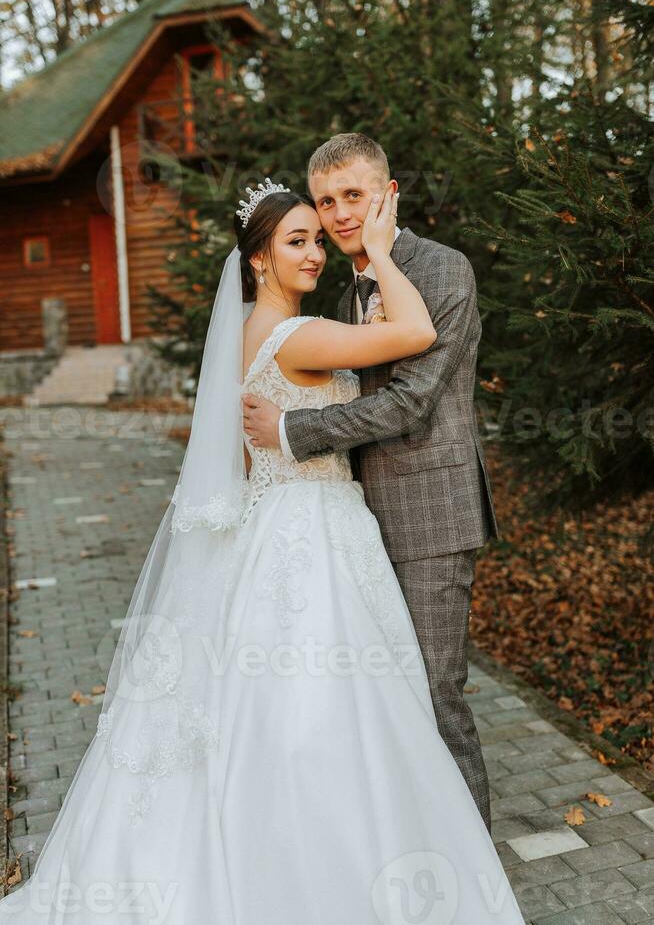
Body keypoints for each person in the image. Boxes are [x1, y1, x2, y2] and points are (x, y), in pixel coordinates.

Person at [0, 178, 524, 924]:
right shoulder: (294, 337)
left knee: (309, 711)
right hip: (315, 534)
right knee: (334, 713)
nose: (316, 252)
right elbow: (413, 334)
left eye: (319, 239)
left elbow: (248, 460)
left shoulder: (253, 333)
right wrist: (376, 248)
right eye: (297, 241)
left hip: (286, 523)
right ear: (257, 261)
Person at [242, 132, 499, 831]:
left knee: (436, 695)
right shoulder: (341, 284)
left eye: (353, 195)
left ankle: (471, 867)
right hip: (354, 521)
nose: (338, 214)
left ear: (388, 194)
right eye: (326, 201)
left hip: (428, 515)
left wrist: (293, 433)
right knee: (382, 702)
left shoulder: (441, 272)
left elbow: (411, 400)